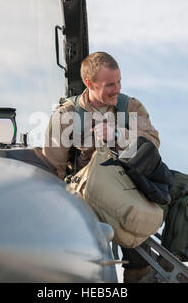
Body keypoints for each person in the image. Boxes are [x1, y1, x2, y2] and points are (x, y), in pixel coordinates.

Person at [42, 51, 162, 282]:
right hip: (90, 192)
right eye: (109, 85)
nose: (117, 89)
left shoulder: (130, 107)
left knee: (186, 188)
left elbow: (152, 143)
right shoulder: (67, 115)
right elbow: (53, 168)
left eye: (119, 82)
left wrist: (117, 134)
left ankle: (166, 263)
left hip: (132, 183)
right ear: (89, 83)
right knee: (130, 223)